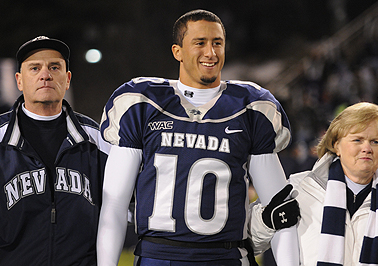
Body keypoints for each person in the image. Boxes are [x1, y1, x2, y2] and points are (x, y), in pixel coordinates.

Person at [97, 9, 300, 266]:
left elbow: (281, 210)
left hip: (226, 256)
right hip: (158, 256)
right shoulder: (142, 102)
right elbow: (114, 205)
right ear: (177, 51)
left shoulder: (251, 107)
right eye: (200, 43)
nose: (211, 52)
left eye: (217, 43)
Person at [0, 36, 111, 265]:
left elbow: (120, 208)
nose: (45, 75)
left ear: (67, 79)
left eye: (54, 67)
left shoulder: (97, 139)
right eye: (34, 68)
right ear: (19, 80)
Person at [250, 102, 378, 265]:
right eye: (357, 140)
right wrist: (266, 222)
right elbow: (248, 242)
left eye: (375, 142)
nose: (367, 148)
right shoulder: (299, 188)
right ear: (336, 145)